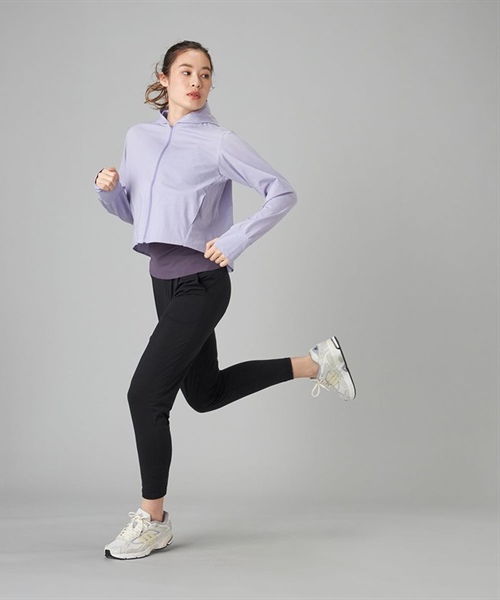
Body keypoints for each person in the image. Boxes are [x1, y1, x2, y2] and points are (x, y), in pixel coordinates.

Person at [94, 40, 356, 560]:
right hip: (163, 281)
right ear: (164, 78)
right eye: (186, 72)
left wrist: (235, 240)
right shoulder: (138, 138)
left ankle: (153, 520)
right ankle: (316, 363)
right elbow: (136, 215)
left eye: (206, 74)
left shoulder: (218, 142)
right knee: (204, 393)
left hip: (203, 284)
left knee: (144, 396)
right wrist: (109, 191)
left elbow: (282, 191)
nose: (196, 82)